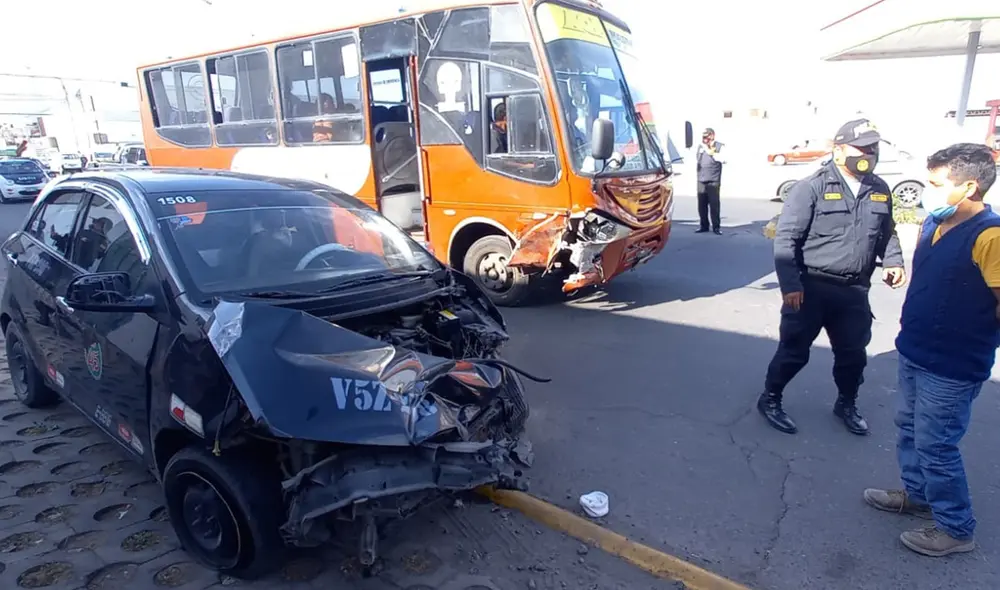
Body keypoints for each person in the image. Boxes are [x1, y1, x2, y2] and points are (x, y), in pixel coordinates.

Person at [863, 143, 999, 557]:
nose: (928, 190)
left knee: (937, 444)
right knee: (909, 429)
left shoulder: (990, 237)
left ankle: (956, 528)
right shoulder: (934, 224)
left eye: (937, 184)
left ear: (969, 186)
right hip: (916, 349)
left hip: (953, 364)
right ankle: (918, 496)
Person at [759, 118, 906, 436]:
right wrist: (790, 284)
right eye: (862, 147)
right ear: (838, 151)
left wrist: (894, 261)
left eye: (873, 147)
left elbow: (887, 233)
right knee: (794, 352)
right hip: (811, 287)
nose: (869, 153)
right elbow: (786, 239)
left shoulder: (878, 189)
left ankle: (846, 403)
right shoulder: (811, 187)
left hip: (853, 290)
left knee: (853, 356)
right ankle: (770, 399)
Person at [695, 128, 726, 235]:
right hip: (701, 178)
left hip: (713, 179)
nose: (705, 138)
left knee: (714, 205)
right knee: (701, 205)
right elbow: (697, 159)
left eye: (707, 136)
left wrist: (709, 150)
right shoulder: (700, 147)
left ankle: (716, 227)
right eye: (703, 136)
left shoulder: (720, 146)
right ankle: (704, 226)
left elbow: (722, 159)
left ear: (712, 135)